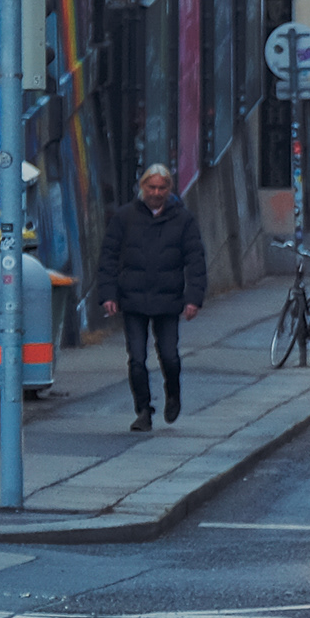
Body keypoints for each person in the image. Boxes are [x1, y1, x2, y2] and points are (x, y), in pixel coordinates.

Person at [98, 163, 205, 429]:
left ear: (169, 189)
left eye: (162, 188)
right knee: (136, 359)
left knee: (169, 356)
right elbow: (108, 258)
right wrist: (108, 294)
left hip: (168, 300)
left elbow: (196, 260)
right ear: (142, 187)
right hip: (133, 298)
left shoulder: (183, 220)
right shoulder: (124, 217)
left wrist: (193, 298)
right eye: (152, 187)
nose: (156, 192)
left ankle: (173, 393)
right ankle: (143, 410)